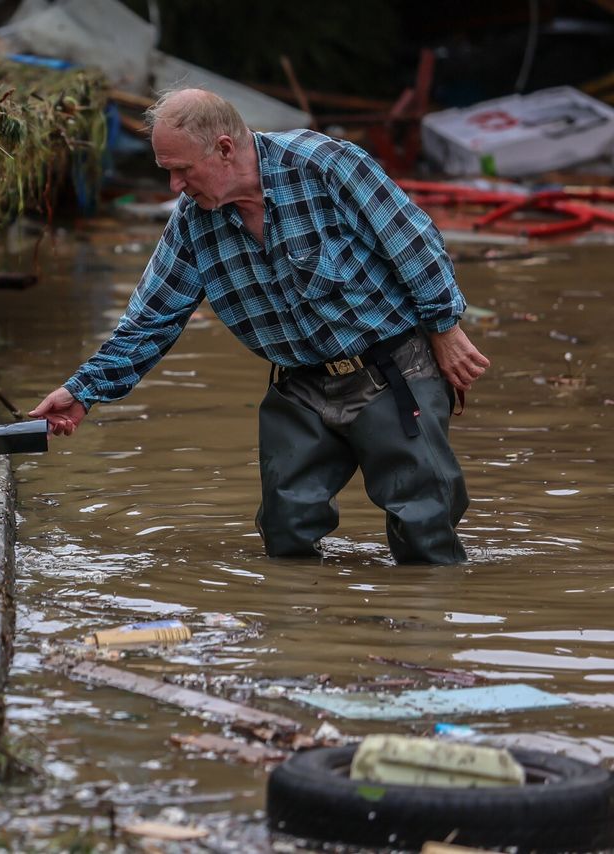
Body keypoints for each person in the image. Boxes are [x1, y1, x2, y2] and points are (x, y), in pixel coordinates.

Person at [28, 88, 490, 565]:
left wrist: (444, 328)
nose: (174, 186)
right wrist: (84, 391)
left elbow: (413, 242)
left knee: (424, 533)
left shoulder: (324, 164)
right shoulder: (194, 222)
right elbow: (150, 319)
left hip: (389, 369)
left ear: (225, 148)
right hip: (300, 386)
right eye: (167, 171)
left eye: (182, 169)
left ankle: (425, 627)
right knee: (284, 533)